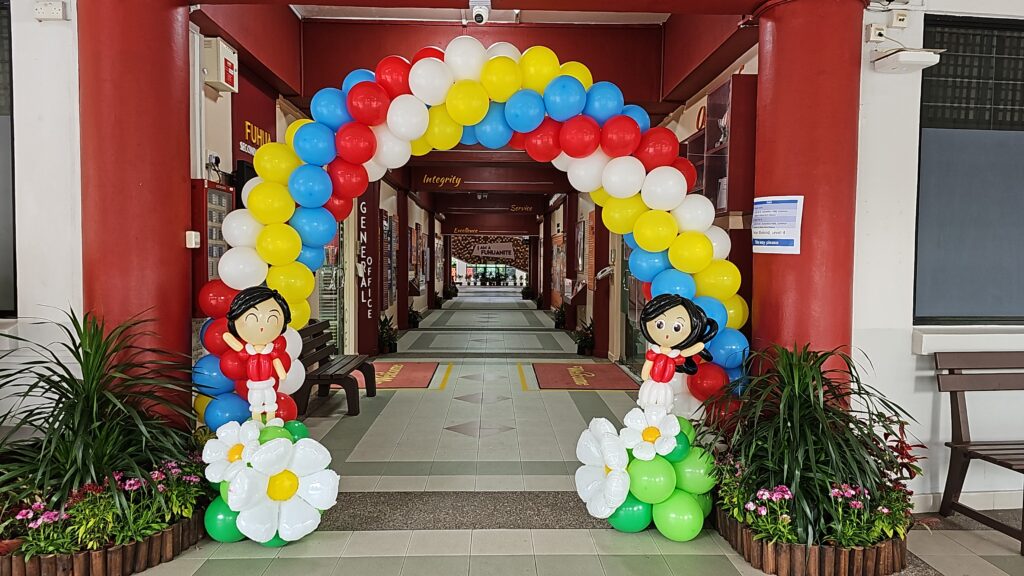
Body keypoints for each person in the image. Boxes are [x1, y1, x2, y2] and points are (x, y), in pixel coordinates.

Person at [637, 294, 718, 412]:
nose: (667, 334)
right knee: (649, 399)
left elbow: (686, 353)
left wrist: (698, 347)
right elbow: (648, 364)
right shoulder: (654, 351)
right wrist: (645, 376)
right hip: (652, 382)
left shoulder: (675, 355)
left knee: (665, 400)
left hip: (669, 386)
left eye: (677, 327)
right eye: (660, 324)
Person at [222, 286, 292, 423]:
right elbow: (237, 347)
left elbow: (276, 361)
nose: (262, 326)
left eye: (271, 319)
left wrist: (281, 373)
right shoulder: (248, 351)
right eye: (252, 318)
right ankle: (257, 422)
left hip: (268, 383)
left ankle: (271, 421)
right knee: (256, 403)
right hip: (254, 384)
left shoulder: (270, 351)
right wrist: (228, 338)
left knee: (270, 401)